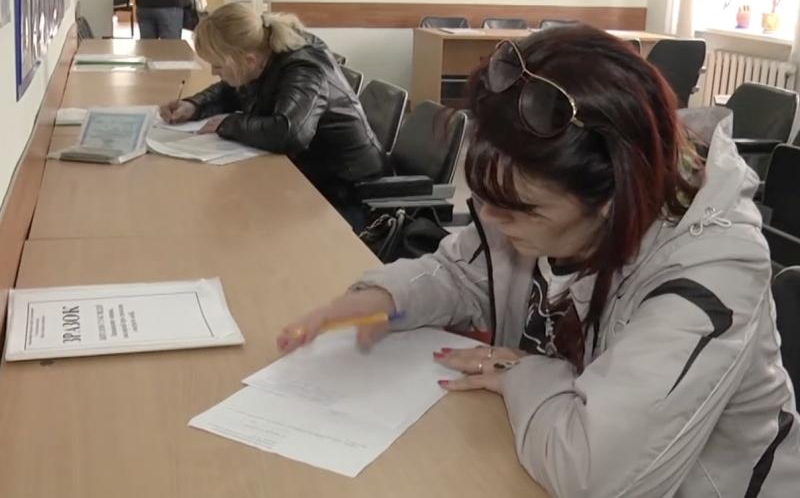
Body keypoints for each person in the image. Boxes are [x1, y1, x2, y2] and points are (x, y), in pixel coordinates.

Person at [276, 26, 800, 497]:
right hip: (535, 459)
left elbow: (594, 475)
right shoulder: (544, 207)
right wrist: (382, 297)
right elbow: (463, 273)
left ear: (612, 196)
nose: (491, 220)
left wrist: (521, 371)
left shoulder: (712, 271)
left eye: (518, 210)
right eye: (487, 200)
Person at [159, 4, 384, 229]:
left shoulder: (304, 68)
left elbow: (290, 132)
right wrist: (194, 105)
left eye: (217, 66)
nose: (213, 72)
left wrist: (228, 124)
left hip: (349, 194)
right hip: (310, 176)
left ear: (248, 60)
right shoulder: (262, 55)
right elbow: (233, 90)